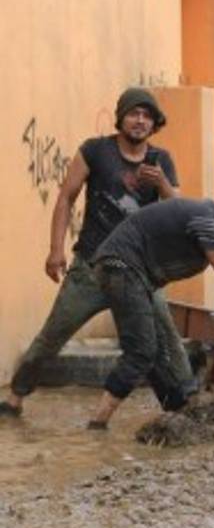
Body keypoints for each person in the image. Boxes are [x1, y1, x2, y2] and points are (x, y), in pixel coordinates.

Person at [2, 88, 195, 419]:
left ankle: (184, 405)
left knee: (166, 335)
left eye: (147, 116)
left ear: (155, 124)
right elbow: (66, 198)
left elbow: (177, 210)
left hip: (139, 273)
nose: (140, 121)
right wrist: (55, 250)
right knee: (53, 335)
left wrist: (163, 183)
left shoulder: (161, 161)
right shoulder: (95, 151)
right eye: (134, 113)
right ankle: (16, 397)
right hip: (91, 267)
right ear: (121, 117)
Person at [86, 184, 214, 429]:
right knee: (141, 351)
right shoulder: (209, 222)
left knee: (161, 347)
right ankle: (97, 424)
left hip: (132, 274)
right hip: (122, 267)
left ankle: (178, 410)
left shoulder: (210, 220)